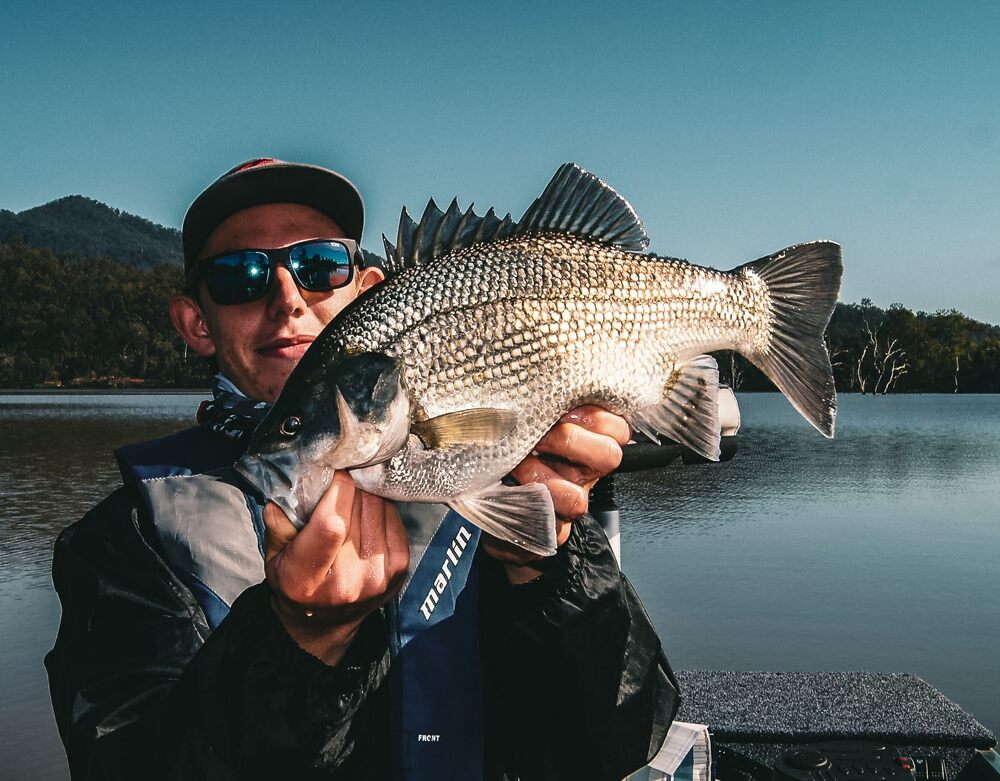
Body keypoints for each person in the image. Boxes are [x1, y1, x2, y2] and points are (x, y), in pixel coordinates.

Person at [46, 158, 679, 780]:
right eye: (240, 275)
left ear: (369, 291)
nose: (287, 299)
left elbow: (612, 745)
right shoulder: (128, 538)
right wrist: (296, 645)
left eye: (320, 265)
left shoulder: (499, 473)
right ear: (196, 322)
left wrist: (547, 568)